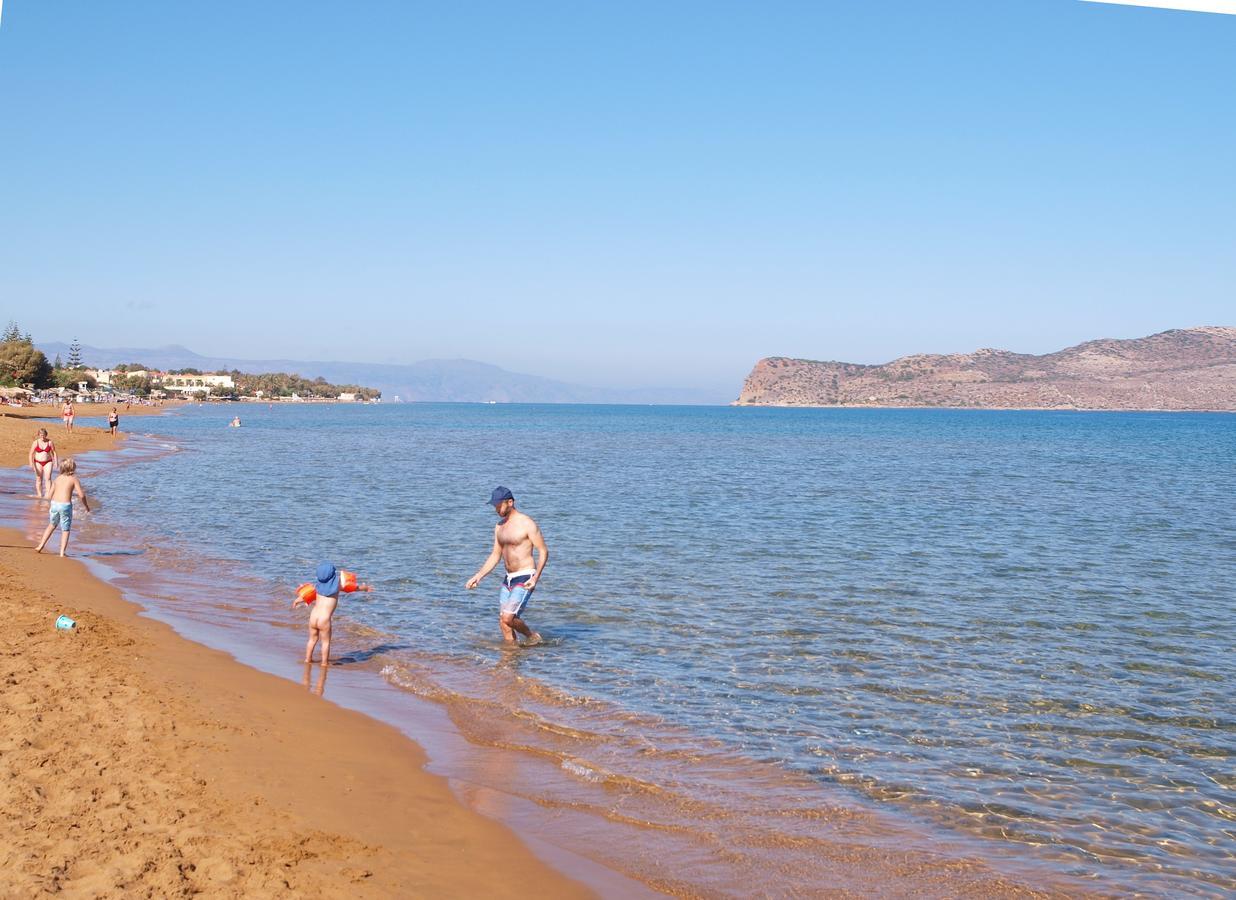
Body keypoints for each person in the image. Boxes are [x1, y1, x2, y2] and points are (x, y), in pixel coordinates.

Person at [466, 486, 549, 645]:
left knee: (508, 617)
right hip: (508, 579)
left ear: (510, 502)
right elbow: (495, 555)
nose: (496, 509)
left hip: (525, 576)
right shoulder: (499, 526)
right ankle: (510, 658)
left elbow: (543, 551)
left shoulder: (527, 523)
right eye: (495, 505)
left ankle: (532, 636)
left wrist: (536, 578)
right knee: (503, 623)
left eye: (499, 505)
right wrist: (478, 576)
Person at [292, 562, 373, 666]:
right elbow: (353, 588)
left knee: (312, 639)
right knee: (325, 642)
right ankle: (324, 663)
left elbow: (306, 596)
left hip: (313, 616)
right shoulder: (338, 585)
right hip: (324, 619)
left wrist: (296, 601)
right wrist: (365, 588)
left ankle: (308, 659)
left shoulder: (317, 586)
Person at [35, 457, 91, 557]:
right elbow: (81, 495)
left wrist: (48, 505)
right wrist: (86, 506)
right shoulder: (74, 479)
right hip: (65, 506)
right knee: (65, 529)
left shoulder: (57, 479)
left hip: (54, 504)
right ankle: (62, 552)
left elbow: (49, 495)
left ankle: (40, 545)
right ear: (73, 468)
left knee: (51, 525)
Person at [28, 428, 58, 499]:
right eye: (41, 435)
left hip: (48, 462)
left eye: (43, 435)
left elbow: (54, 452)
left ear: (46, 435)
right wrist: (31, 463)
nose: (42, 437)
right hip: (37, 462)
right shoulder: (36, 442)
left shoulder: (50, 442)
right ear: (38, 435)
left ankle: (48, 494)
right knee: (39, 478)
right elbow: (31, 453)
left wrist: (56, 462)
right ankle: (39, 494)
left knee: (48, 478)